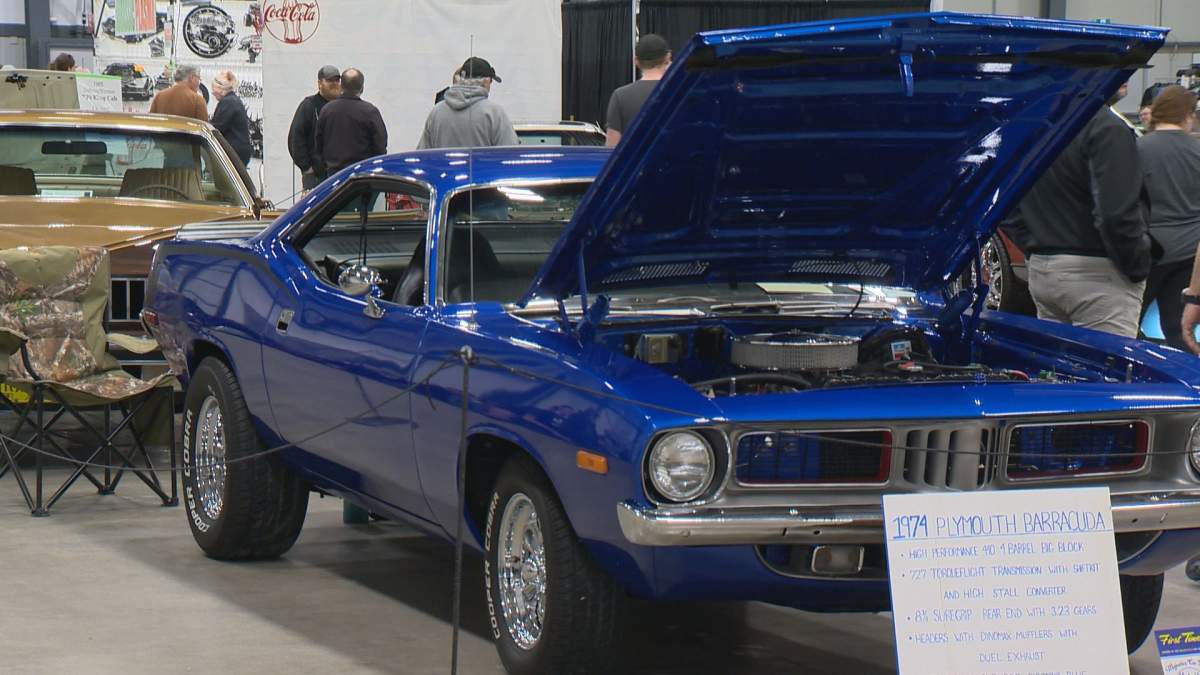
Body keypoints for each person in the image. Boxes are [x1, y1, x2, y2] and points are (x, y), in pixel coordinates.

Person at [1008, 83, 1154, 338]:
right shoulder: (1107, 128)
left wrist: (1033, 246)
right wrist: (1137, 265)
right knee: (1108, 373)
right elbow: (1115, 214)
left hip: (1043, 270)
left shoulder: (1034, 127)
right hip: (1099, 275)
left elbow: (1006, 202)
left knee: (1060, 371)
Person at [417, 57, 517, 149]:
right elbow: (510, 154)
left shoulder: (436, 113)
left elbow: (422, 155)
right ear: (486, 81)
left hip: (445, 169)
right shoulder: (495, 114)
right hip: (483, 169)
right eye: (491, 82)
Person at [314, 68, 387, 176]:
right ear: (362, 88)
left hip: (334, 176)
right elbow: (380, 145)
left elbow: (318, 143)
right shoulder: (370, 111)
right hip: (363, 175)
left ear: (341, 86)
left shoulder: (327, 110)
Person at [604, 34, 672, 147]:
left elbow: (612, 147)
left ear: (636, 61)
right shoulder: (682, 93)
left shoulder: (620, 96)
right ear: (668, 57)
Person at [288, 65, 341, 189]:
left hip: (339, 174)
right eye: (329, 80)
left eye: (337, 80)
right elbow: (295, 138)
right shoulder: (309, 106)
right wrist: (306, 168)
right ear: (319, 83)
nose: (334, 83)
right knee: (316, 209)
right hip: (315, 176)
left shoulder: (344, 107)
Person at [210, 71, 253, 166]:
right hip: (239, 149)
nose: (213, 93)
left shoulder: (227, 103)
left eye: (214, 89)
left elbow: (217, 127)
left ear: (221, 89)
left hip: (234, 150)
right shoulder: (233, 101)